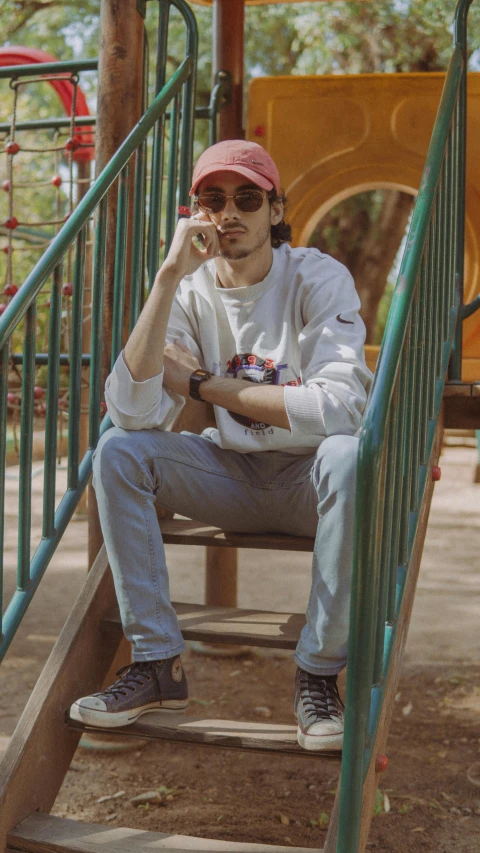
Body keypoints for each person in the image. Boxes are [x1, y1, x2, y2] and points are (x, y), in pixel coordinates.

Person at [69, 140, 372, 751]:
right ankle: (157, 664)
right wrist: (165, 278)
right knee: (118, 453)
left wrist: (206, 383)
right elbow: (132, 410)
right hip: (231, 476)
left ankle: (317, 676)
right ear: (197, 213)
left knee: (348, 454)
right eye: (214, 199)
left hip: (309, 484)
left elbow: (340, 411)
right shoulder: (188, 291)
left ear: (274, 208)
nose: (230, 212)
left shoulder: (315, 276)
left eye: (247, 198)